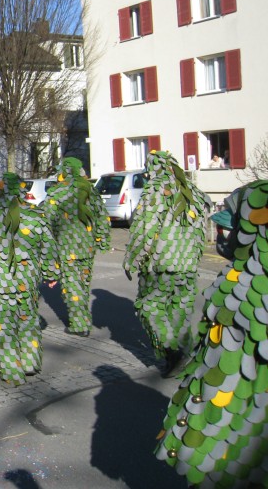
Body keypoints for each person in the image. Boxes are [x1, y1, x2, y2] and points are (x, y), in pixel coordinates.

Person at [156, 180, 268, 486]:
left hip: (236, 421)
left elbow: (217, 363)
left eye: (230, 227)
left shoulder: (244, 286)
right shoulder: (239, 276)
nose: (223, 235)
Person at [123, 151, 208, 376]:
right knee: (180, 310)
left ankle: (173, 352)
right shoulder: (193, 192)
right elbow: (203, 230)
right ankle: (181, 361)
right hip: (188, 265)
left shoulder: (156, 189)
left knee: (150, 307)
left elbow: (145, 228)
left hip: (160, 265)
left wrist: (132, 259)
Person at [0, 173, 59, 385]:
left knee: (3, 326)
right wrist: (51, 274)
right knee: (28, 320)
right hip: (27, 281)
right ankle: (30, 362)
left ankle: (12, 371)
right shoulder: (36, 215)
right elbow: (48, 247)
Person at [42, 157, 111, 337]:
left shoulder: (56, 192)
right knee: (83, 283)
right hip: (87, 246)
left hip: (65, 247)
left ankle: (79, 325)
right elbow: (102, 216)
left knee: (72, 285)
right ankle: (83, 318)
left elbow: (47, 223)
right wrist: (101, 240)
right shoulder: (90, 190)